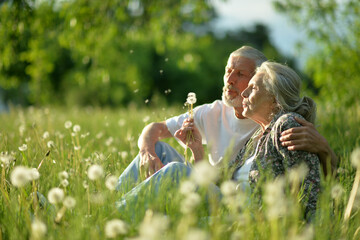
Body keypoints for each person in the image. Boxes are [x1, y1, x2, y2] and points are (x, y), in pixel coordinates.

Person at [116, 46, 336, 195]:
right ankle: (110, 203)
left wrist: (325, 149)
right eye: (228, 71)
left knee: (176, 171)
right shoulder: (213, 113)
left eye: (240, 74)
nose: (230, 80)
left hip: (229, 201)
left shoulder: (276, 126)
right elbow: (155, 128)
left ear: (262, 83)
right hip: (216, 190)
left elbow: (311, 180)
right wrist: (149, 151)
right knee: (160, 150)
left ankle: (115, 212)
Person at [176, 61, 320, 218]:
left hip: (256, 221)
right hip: (232, 211)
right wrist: (197, 149)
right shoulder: (258, 135)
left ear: (274, 98)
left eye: (253, 89)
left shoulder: (287, 124)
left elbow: (307, 192)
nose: (244, 93)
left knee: (175, 171)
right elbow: (221, 181)